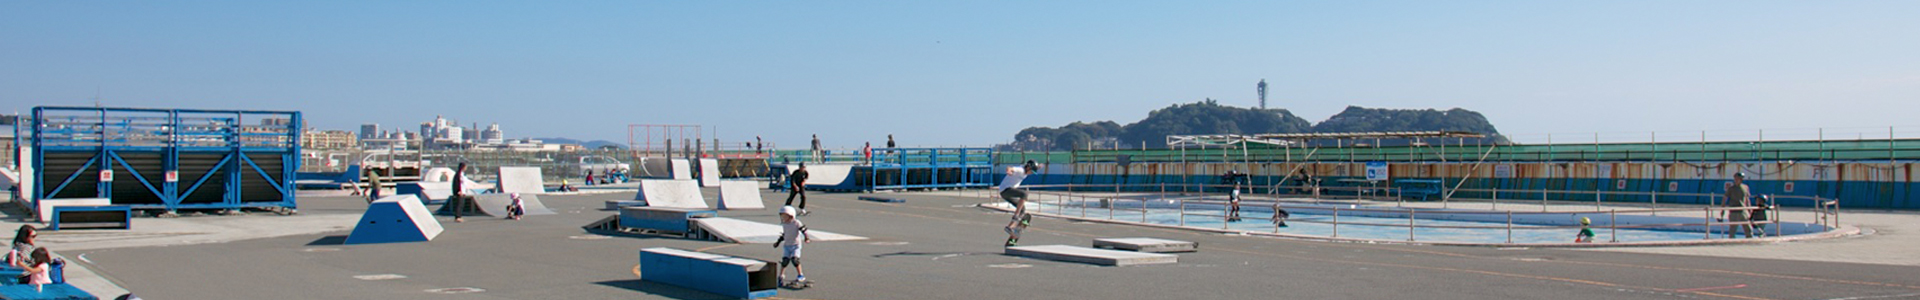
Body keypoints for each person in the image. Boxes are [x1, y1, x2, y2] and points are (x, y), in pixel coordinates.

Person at [773, 206, 813, 288]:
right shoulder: (785, 224)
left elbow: (803, 230)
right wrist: (778, 242)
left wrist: (807, 238)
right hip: (787, 245)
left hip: (796, 245)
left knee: (795, 260)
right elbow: (785, 234)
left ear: (791, 215)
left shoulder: (796, 222)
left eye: (785, 216)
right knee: (785, 261)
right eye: (782, 216)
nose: (783, 218)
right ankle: (781, 276)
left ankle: (800, 275)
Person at [1002, 160, 1040, 246]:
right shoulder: (1020, 170)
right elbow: (1010, 168)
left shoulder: (1025, 173)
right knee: (1024, 194)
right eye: (1031, 171)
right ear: (1028, 167)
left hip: (1008, 193)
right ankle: (1016, 216)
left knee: (1023, 209)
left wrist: (1038, 167)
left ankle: (1010, 227)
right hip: (1006, 190)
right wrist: (1009, 170)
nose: (1031, 173)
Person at [1724, 172, 1753, 238]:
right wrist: (1723, 209)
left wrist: (1749, 209)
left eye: (1740, 178)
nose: (1737, 179)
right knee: (1733, 229)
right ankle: (1731, 241)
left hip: (1743, 210)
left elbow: (1747, 199)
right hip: (1734, 211)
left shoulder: (1745, 187)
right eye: (1736, 178)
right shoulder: (1731, 188)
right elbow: (1725, 197)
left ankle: (1749, 240)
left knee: (1748, 228)